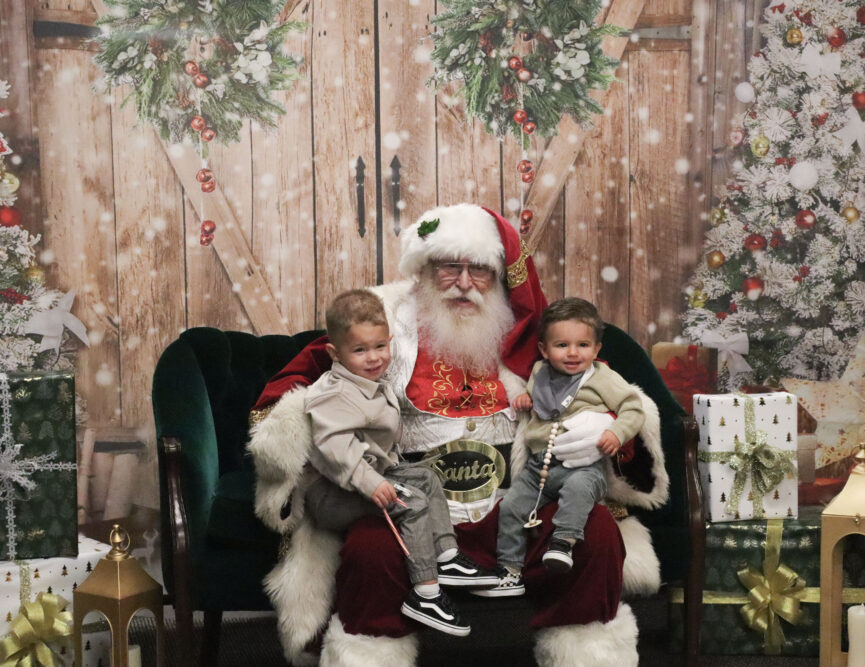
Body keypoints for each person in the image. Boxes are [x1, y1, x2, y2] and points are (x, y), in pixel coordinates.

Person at [248, 204, 668, 666]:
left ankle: (588, 659)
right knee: (371, 550)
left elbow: (608, 387)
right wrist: (300, 437)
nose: (465, 282)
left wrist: (603, 422)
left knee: (597, 531)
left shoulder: (533, 331)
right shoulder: (384, 323)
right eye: (451, 267)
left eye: (480, 271)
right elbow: (295, 385)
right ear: (425, 269)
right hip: (413, 506)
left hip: (518, 501)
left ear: (501, 275)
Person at [302, 289, 498, 636]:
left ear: (389, 341)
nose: (374, 358)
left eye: (380, 346)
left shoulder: (370, 382)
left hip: (365, 475)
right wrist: (371, 483)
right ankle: (426, 591)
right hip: (331, 493)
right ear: (334, 352)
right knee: (412, 501)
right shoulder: (334, 393)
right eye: (359, 350)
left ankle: (447, 555)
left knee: (426, 477)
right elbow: (334, 446)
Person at [480, 298, 645, 597]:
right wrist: (525, 401)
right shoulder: (540, 372)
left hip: (584, 466)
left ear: (596, 350)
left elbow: (633, 408)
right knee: (512, 507)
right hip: (539, 467)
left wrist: (616, 433)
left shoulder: (601, 378)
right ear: (544, 349)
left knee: (578, 491)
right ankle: (509, 570)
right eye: (561, 345)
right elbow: (542, 403)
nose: (572, 353)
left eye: (582, 345)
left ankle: (563, 543)